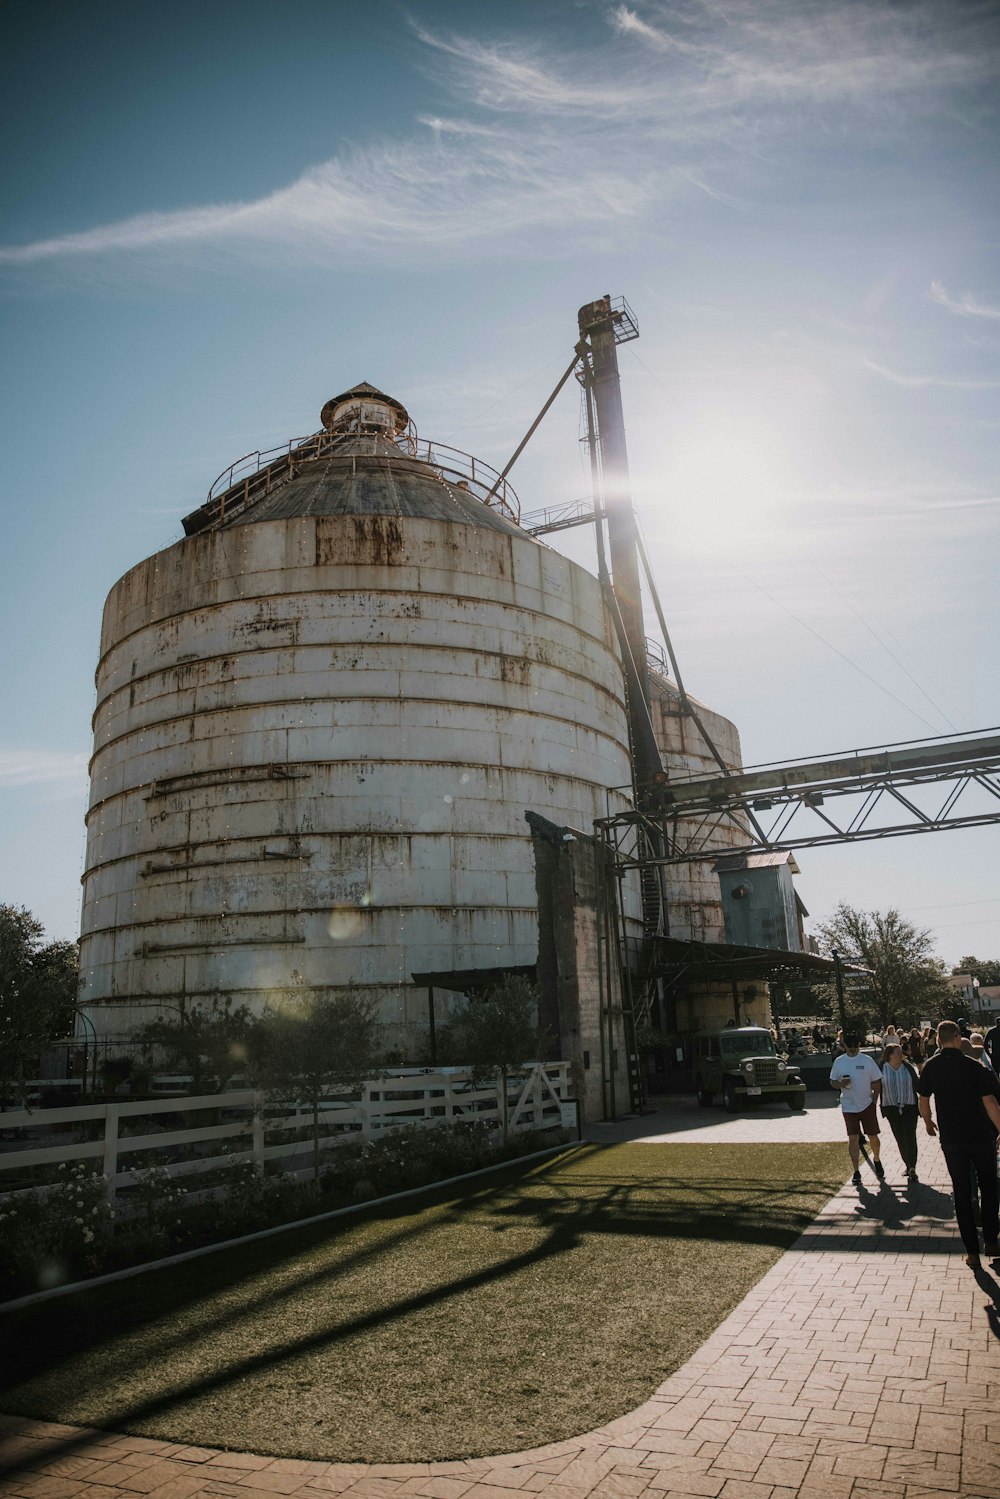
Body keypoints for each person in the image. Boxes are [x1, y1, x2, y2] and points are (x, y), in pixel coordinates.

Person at [917, 1020, 1000, 1270]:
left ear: (939, 1039)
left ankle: (972, 1252)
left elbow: (923, 1098)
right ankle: (991, 1241)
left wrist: (928, 1121)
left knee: (962, 1194)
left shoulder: (931, 1067)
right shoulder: (974, 1067)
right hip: (980, 1137)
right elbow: (990, 1104)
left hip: (952, 1140)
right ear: (957, 1037)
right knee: (989, 1188)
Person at [831, 1033, 885, 1186]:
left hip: (867, 1105)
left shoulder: (867, 1061)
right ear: (844, 1046)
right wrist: (840, 1084)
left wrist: (874, 1101)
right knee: (853, 1138)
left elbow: (877, 1082)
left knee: (873, 1136)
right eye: (850, 1046)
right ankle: (856, 1171)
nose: (854, 1049)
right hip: (848, 1106)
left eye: (856, 1046)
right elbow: (833, 1081)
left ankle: (877, 1159)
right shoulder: (839, 1062)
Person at [880, 1044, 920, 1180]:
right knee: (900, 1138)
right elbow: (874, 1085)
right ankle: (907, 1165)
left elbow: (918, 1084)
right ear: (889, 1054)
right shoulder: (882, 1068)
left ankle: (912, 1167)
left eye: (900, 1052)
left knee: (910, 1136)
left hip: (910, 1107)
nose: (900, 1054)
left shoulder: (908, 1067)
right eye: (897, 1052)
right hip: (891, 1108)